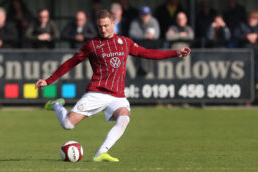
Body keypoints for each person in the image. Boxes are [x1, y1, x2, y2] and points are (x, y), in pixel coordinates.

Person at [35, 10, 190, 162]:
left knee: (124, 118)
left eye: (106, 26)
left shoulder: (125, 43)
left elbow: (148, 53)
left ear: (113, 24)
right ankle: (56, 105)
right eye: (100, 27)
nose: (103, 29)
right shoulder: (92, 45)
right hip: (97, 92)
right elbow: (71, 62)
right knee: (67, 125)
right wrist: (48, 81)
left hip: (117, 95)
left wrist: (175, 53)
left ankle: (101, 153)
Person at [234, 10, 258, 84]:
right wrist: (246, 37)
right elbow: (235, 35)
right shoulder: (242, 25)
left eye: (254, 19)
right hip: (245, 54)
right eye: (250, 18)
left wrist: (257, 36)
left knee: (257, 74)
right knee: (246, 73)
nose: (251, 20)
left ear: (257, 19)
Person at [129, 6, 161, 79]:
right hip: (138, 48)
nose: (145, 17)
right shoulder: (135, 22)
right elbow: (132, 34)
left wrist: (145, 37)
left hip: (151, 48)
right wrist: (145, 36)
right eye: (143, 15)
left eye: (147, 15)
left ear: (150, 15)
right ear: (140, 15)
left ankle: (150, 74)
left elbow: (156, 35)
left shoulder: (153, 21)